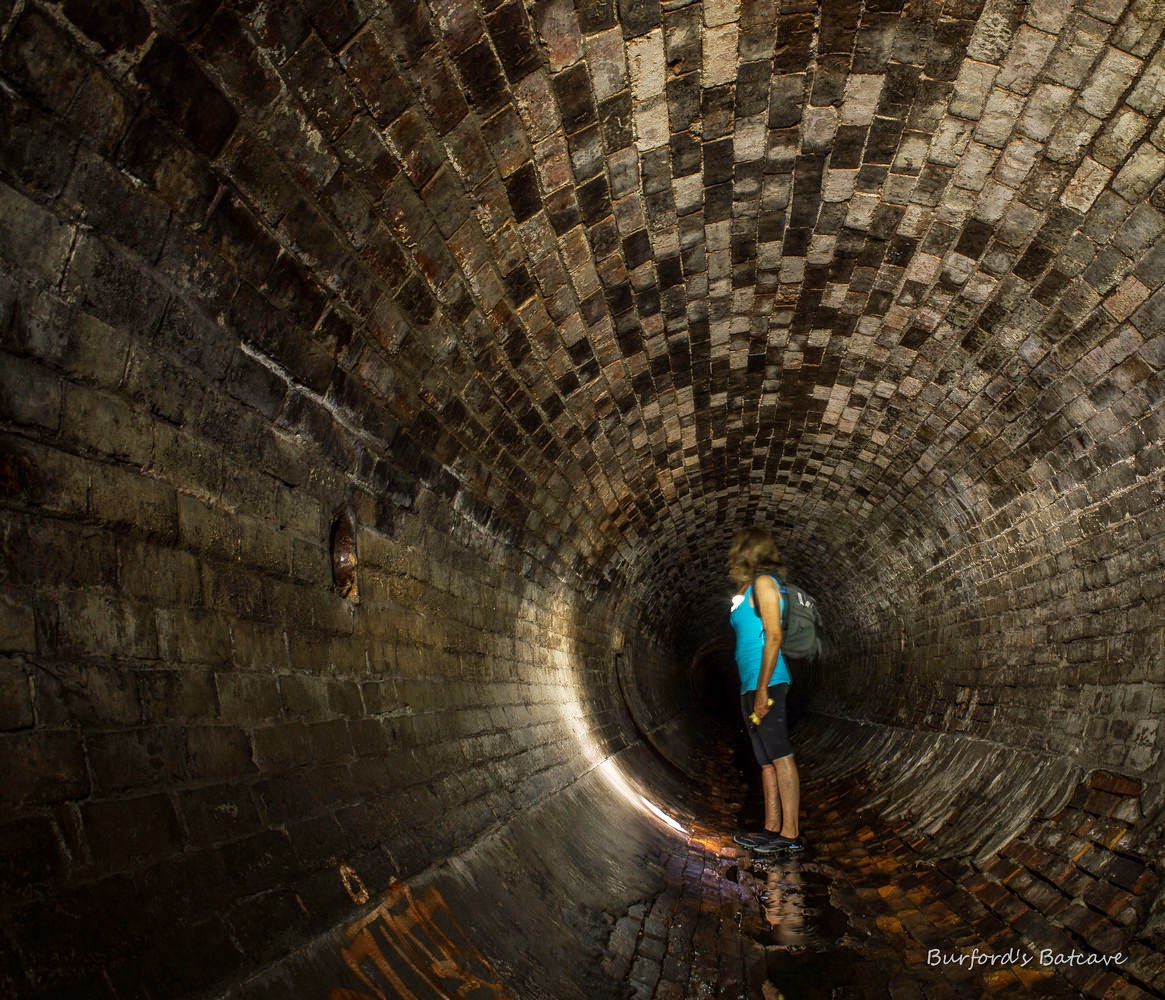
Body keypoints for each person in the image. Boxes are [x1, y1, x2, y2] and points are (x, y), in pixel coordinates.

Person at [727, 527, 804, 854]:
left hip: (769, 681)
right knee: (765, 760)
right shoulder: (746, 589)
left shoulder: (765, 584)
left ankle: (791, 834)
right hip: (751, 683)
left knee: (780, 754)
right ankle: (771, 828)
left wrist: (761, 690)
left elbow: (773, 636)